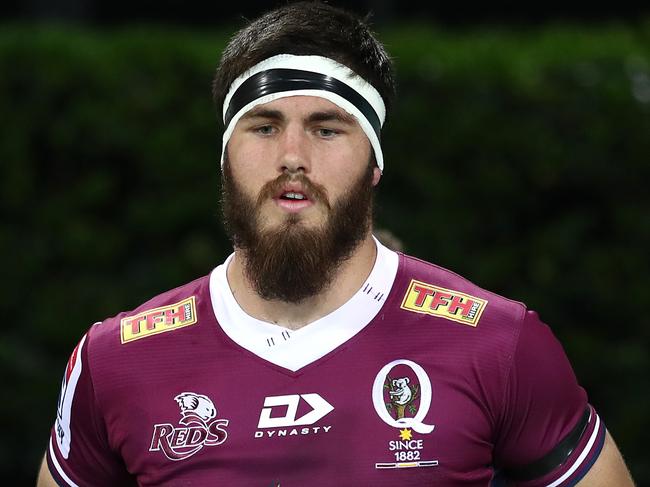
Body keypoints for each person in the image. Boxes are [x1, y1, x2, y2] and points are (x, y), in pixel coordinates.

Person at [38, 2, 635, 486]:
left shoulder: (497, 342)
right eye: (264, 127)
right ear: (225, 158)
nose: (292, 157)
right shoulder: (114, 359)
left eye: (327, 129)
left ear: (374, 163)